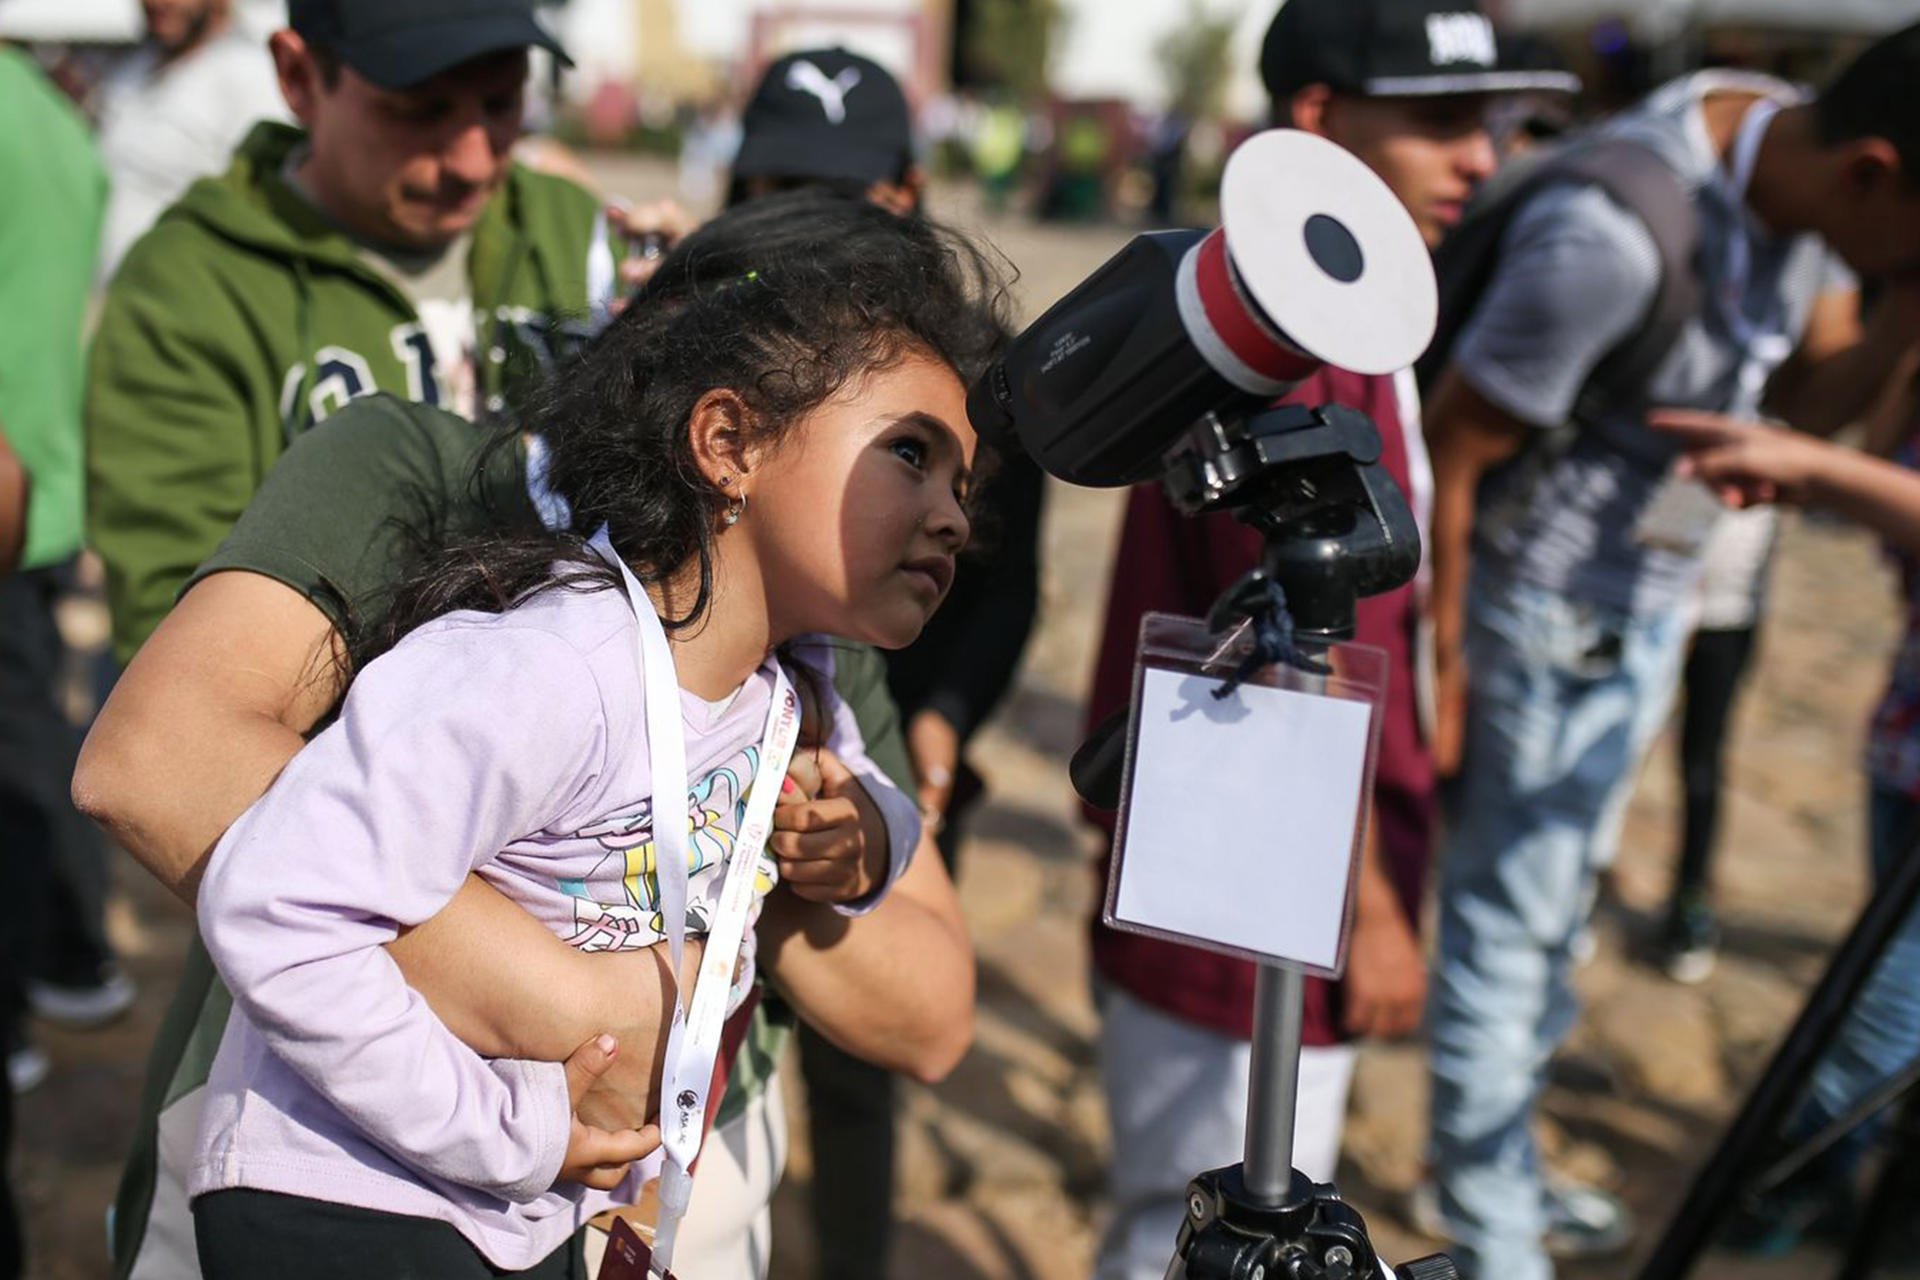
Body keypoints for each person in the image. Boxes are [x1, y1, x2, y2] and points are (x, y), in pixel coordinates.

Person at [1421, 21, 1920, 1278]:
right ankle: (1488, 1230)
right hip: (1537, 608)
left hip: (1651, 596)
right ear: (1872, 172)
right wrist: (1441, 663)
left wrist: (1901, 314)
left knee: (1560, 910)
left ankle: (1504, 1169)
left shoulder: (1797, 182)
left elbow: (1806, 409)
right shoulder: (1611, 233)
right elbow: (1458, 446)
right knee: (1506, 927)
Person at [1084, 4, 1573, 1277]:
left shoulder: (1365, 304)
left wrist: (1440, 659)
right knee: (1192, 1220)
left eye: (1493, 124)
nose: (1482, 158)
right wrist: (1365, 909)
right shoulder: (1277, 327)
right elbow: (1274, 661)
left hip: (1304, 882)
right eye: (1443, 122)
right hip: (1245, 905)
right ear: (1318, 121)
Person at [721, 49, 1044, 1280]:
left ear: (908, 192)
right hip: (702, 741)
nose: (821, 226)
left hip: (889, 745)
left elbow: (1005, 587)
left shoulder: (978, 366)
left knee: (863, 1058)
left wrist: (938, 732)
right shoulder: (678, 329)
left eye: (854, 199)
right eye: (789, 186)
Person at [84, 0, 612, 669]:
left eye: (503, 104)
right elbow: (184, 638)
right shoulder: (189, 284)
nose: (474, 162)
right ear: (300, 77)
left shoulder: (570, 228)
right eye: (421, 112)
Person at [0, 39, 127, 1100]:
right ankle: (67, 957)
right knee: (32, 735)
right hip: (40, 471)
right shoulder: (51, 114)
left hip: (11, 476)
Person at [94, 0, 287, 281]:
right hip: (110, 297)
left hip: (179, 300)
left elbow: (265, 208)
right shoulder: (129, 70)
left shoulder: (251, 77)